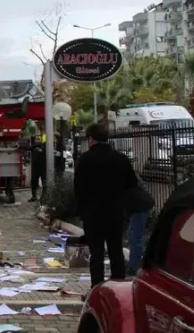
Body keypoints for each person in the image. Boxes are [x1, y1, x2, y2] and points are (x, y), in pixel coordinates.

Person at [73, 123, 138, 288]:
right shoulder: (121, 158)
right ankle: (118, 287)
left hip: (93, 213)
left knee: (97, 253)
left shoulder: (85, 159)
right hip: (115, 212)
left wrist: (82, 210)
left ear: (90, 139)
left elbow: (78, 188)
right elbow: (132, 185)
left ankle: (97, 287)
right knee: (116, 251)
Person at [125, 176, 155, 276]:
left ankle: (135, 267)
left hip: (140, 204)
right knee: (133, 234)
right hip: (140, 203)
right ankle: (134, 264)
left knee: (136, 236)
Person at [29, 134, 47, 202]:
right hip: (35, 167)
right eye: (36, 139)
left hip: (42, 167)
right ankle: (34, 196)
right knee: (33, 182)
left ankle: (44, 197)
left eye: (39, 139)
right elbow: (29, 147)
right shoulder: (33, 147)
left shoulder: (44, 146)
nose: (37, 140)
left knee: (44, 182)